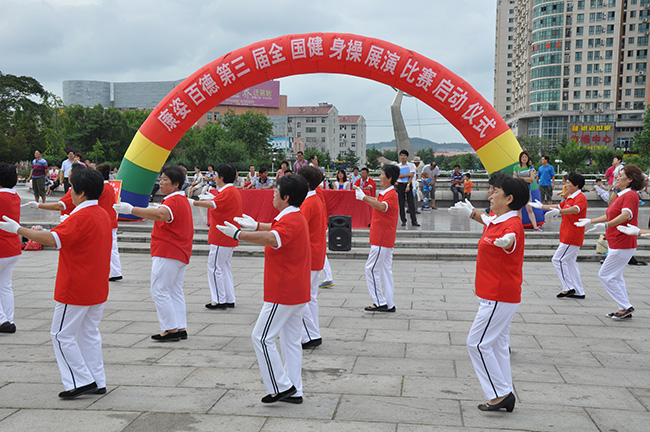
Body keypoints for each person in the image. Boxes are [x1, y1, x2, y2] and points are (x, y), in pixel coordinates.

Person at [1, 165, 113, 398]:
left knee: (61, 335)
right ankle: (97, 379)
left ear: (81, 192)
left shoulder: (80, 217)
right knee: (88, 334)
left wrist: (18, 229)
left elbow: (52, 238)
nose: (70, 193)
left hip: (75, 286)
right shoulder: (101, 213)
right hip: (96, 286)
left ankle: (81, 380)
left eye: (72, 188)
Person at [217, 174, 311, 404]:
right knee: (290, 342)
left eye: (276, 191)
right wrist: (256, 225)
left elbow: (272, 238)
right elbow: (275, 230)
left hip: (283, 290)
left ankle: (281, 386)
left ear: (286, 197)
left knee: (261, 337)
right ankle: (294, 389)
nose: (273, 194)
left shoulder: (290, 220)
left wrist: (239, 234)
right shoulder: (294, 216)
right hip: (295, 289)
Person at [466, 176, 529, 413]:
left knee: (477, 344)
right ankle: (504, 390)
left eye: (496, 192)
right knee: (498, 346)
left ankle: (500, 394)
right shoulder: (499, 220)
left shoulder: (512, 225)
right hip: (495, 294)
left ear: (509, 198)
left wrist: (507, 242)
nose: (490, 195)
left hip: (499, 294)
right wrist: (470, 212)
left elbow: (510, 238)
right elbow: (488, 220)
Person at [114, 165, 193, 341]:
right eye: (161, 178)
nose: (161, 182)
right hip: (179, 252)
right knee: (174, 291)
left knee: (159, 290)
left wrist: (132, 210)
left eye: (165, 180)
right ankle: (180, 327)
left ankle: (170, 329)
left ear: (176, 184)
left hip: (168, 251)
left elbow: (161, 215)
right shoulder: (180, 199)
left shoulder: (173, 201)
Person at [575, 164, 645, 319]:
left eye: (621, 175)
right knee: (616, 276)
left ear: (630, 179)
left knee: (605, 275)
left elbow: (626, 215)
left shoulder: (630, 195)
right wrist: (590, 221)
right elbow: (610, 214)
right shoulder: (622, 194)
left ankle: (626, 306)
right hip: (616, 241)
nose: (617, 178)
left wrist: (606, 225)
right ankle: (623, 307)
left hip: (623, 242)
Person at [192, 164, 242, 309]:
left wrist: (193, 202)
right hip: (227, 235)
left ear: (222, 177)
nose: (215, 177)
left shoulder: (228, 192)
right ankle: (229, 298)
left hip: (221, 236)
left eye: (216, 175)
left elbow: (213, 204)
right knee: (224, 267)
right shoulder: (232, 191)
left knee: (214, 267)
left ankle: (219, 300)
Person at [531, 172, 587, 299]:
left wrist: (560, 211)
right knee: (571, 262)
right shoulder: (570, 197)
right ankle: (579, 291)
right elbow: (558, 206)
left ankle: (568, 287)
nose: (566, 185)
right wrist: (542, 206)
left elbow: (576, 209)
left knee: (557, 260)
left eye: (568, 183)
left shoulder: (580, 197)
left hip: (572, 235)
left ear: (576, 185)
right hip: (568, 233)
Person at [355, 164, 400, 312]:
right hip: (384, 238)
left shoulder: (391, 194)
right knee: (385, 270)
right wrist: (364, 196)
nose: (379, 177)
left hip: (381, 238)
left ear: (389, 178)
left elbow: (382, 206)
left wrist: (363, 198)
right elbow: (379, 202)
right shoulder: (388, 193)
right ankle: (389, 302)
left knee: (371, 269)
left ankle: (379, 302)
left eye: (382, 174)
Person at [297, 166, 327, 349]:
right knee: (310, 297)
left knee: (301, 298)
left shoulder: (308, 203)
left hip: (308, 254)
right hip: (316, 254)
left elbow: (296, 228)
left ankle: (311, 335)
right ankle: (311, 330)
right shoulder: (315, 199)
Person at [0, 163, 21, 334]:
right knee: (5, 286)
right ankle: (9, 318)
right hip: (12, 247)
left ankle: (2, 320)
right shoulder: (15, 196)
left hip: (1, 247)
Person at [512, 151, 540, 231]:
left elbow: (531, 179)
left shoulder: (530, 167)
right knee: (518, 209)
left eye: (526, 157)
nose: (524, 158)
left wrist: (520, 178)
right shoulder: (516, 167)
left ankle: (535, 227)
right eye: (523, 157)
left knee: (529, 209)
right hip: (518, 190)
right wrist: (525, 179)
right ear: (520, 158)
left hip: (527, 190)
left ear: (528, 159)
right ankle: (519, 227)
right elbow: (514, 178)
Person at [396, 150, 419, 227]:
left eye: (404, 155)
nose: (403, 157)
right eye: (401, 155)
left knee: (411, 203)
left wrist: (408, 185)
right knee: (401, 203)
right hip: (400, 185)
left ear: (407, 157)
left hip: (408, 184)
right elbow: (398, 176)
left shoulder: (411, 165)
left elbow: (411, 176)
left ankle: (414, 221)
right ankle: (403, 220)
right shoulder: (398, 166)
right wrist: (408, 174)